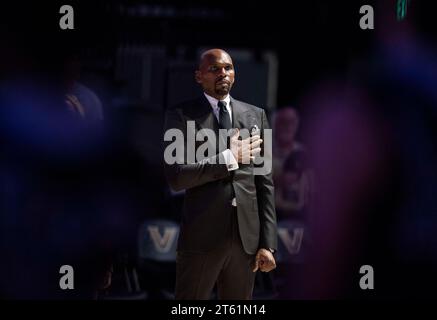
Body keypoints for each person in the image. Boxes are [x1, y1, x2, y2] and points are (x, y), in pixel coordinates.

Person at [163, 49, 277, 300]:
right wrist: (228, 158)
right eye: (214, 69)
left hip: (246, 243)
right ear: (199, 76)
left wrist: (267, 243)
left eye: (228, 68)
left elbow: (264, 184)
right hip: (201, 238)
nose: (222, 73)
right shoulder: (181, 116)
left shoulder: (256, 116)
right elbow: (177, 177)